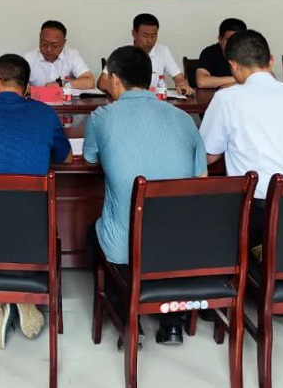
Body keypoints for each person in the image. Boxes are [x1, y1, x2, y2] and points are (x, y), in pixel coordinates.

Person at [84, 45, 207, 347]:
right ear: (151, 78)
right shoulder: (184, 118)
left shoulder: (102, 116)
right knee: (168, 227)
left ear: (114, 80)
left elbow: (89, 159)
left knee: (93, 233)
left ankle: (129, 322)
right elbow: (200, 179)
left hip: (126, 249)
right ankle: (172, 324)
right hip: (177, 247)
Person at [0, 54, 71, 350]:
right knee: (24, 219)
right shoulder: (45, 113)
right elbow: (67, 157)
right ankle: (21, 296)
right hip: (30, 237)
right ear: (26, 86)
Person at [200, 30, 283, 245]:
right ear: (270, 61)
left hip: (256, 212)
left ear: (233, 65)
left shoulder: (226, 99)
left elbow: (208, 156)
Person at [97, 14, 194, 96]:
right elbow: (102, 82)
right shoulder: (123, 52)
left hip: (154, 102)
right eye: (145, 36)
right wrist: (121, 91)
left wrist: (182, 85)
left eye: (154, 35)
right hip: (127, 101)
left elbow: (179, 77)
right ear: (134, 34)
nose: (150, 40)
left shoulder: (162, 51)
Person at [24, 21, 95, 89]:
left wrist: (61, 84)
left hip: (65, 98)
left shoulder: (72, 55)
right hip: (37, 97)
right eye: (44, 44)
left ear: (64, 42)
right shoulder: (28, 58)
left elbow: (90, 82)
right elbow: (19, 86)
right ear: (40, 37)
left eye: (54, 45)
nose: (49, 49)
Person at [195, 18, 248, 89]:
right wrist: (238, 80)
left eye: (238, 40)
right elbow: (201, 82)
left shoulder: (251, 53)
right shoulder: (210, 52)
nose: (234, 44)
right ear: (220, 39)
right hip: (214, 95)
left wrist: (234, 83)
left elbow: (258, 79)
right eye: (229, 40)